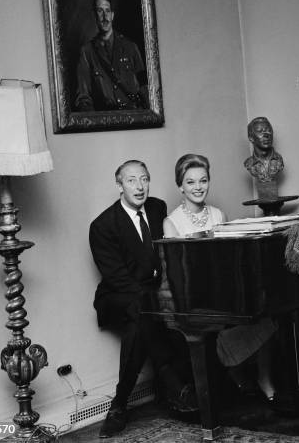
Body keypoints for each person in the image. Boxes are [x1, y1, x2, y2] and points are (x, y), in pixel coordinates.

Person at [90, 160, 197, 438]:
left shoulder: (157, 207)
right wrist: (156, 301)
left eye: (144, 179)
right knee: (143, 311)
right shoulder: (103, 225)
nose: (139, 186)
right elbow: (118, 279)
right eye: (131, 180)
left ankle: (119, 404)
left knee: (139, 326)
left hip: (151, 294)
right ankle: (172, 384)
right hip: (118, 296)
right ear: (119, 186)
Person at [163, 154, 279, 404]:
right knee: (228, 323)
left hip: (224, 290)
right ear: (180, 186)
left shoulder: (218, 215)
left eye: (203, 180)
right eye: (191, 182)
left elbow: (229, 262)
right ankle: (235, 371)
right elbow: (178, 276)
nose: (198, 187)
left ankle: (264, 377)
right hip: (196, 297)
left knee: (264, 312)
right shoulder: (171, 223)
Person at [75, 0, 148, 111]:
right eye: (100, 11)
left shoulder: (131, 47)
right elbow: (83, 98)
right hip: (106, 121)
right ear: (94, 15)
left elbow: (145, 87)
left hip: (135, 116)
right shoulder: (87, 52)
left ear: (112, 15)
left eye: (107, 11)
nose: (105, 16)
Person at [243, 117, 284, 183]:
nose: (266, 135)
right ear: (251, 138)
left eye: (269, 130)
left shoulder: (278, 160)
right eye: (260, 131)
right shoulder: (249, 164)